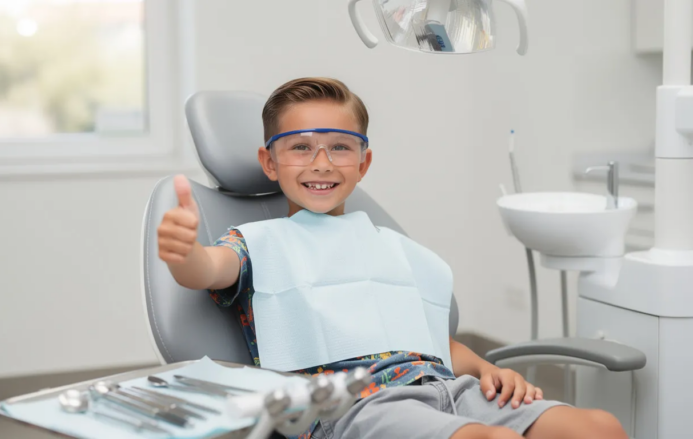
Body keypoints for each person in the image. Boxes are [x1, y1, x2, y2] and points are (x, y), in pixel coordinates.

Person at [157, 77, 627, 439]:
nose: (322, 162)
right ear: (269, 162)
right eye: (301, 146)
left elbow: (431, 341)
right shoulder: (257, 243)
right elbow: (207, 270)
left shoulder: (391, 246)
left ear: (363, 163)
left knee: (598, 427)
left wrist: (488, 371)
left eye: (340, 147)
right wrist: (185, 252)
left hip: (445, 388)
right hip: (351, 406)